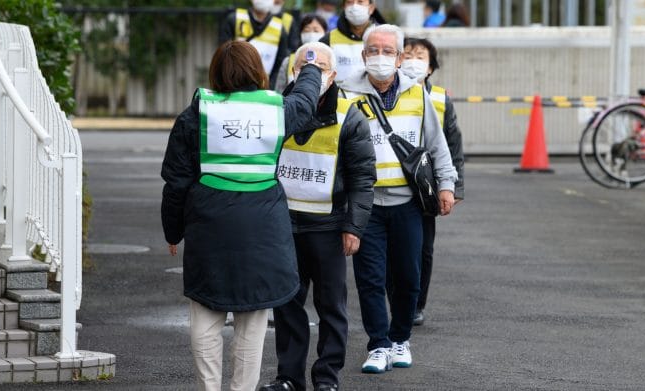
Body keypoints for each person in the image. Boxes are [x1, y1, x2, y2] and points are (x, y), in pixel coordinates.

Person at [161, 40, 323, 391]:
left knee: (206, 316)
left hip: (209, 226)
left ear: (216, 72)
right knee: (252, 323)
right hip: (263, 230)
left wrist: (172, 232)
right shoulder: (276, 110)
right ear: (258, 72)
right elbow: (308, 100)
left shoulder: (195, 115)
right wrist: (310, 66)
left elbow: (176, 182)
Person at [339, 24, 458, 374]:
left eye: (388, 51)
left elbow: (437, 144)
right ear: (363, 55)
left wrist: (447, 184)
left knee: (409, 276)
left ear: (400, 56)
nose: (380, 57)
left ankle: (400, 338)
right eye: (373, 50)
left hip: (408, 203)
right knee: (370, 278)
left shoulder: (417, 93)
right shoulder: (347, 94)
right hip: (365, 205)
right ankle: (378, 344)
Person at [259, 42, 376, 391]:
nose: (312, 73)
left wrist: (354, 227)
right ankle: (289, 378)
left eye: (321, 67)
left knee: (331, 307)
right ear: (292, 72)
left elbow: (362, 176)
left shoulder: (350, 115)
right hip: (283, 226)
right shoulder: (275, 111)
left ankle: (327, 377)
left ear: (333, 74)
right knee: (287, 306)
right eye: (304, 66)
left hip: (328, 228)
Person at [400, 37, 465, 326]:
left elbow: (453, 146)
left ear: (430, 67)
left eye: (420, 56)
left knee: (423, 249)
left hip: (426, 188)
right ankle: (398, 299)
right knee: (393, 250)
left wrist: (453, 186)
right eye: (408, 54)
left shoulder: (440, 99)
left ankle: (416, 304)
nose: (413, 60)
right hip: (395, 184)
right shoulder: (388, 95)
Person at [220, 0, 289, 87]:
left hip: (264, 86)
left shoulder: (279, 27)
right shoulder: (234, 19)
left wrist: (269, 86)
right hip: (234, 84)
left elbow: (280, 63)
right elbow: (223, 54)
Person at [319, 0, 386, 85]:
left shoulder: (385, 37)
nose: (354, 7)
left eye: (360, 2)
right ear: (344, 7)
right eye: (349, 2)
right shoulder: (327, 40)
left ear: (371, 8)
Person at [275, 14, 328, 93]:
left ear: (325, 33)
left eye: (316, 31)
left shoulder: (330, 59)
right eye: (306, 30)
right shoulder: (289, 60)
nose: (311, 34)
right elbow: (279, 90)